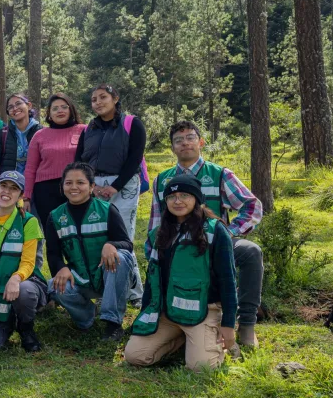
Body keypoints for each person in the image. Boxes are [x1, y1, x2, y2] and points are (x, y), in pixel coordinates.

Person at [149, 121, 264, 348]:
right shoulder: (162, 179)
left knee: (251, 252)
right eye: (178, 140)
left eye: (190, 138)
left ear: (201, 142)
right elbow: (155, 222)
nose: (185, 144)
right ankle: (171, 317)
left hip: (214, 245)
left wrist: (226, 233)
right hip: (178, 249)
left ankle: (247, 323)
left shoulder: (220, 174)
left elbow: (253, 207)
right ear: (172, 147)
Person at [125, 174, 240, 371]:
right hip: (167, 312)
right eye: (172, 196)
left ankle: (209, 341)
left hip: (203, 310)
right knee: (135, 355)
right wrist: (144, 314)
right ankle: (183, 339)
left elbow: (228, 280)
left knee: (201, 368)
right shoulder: (159, 233)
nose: (177, 201)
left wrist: (228, 324)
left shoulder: (215, 230)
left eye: (184, 195)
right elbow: (153, 279)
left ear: (196, 198)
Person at [45, 163, 136, 342]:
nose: (74, 187)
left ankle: (113, 324)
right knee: (53, 285)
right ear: (62, 186)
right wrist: (61, 268)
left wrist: (111, 244)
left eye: (80, 182)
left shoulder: (106, 210)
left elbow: (127, 244)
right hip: (80, 278)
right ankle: (87, 316)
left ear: (92, 186)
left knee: (122, 258)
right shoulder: (55, 217)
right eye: (68, 183)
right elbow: (53, 253)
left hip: (109, 275)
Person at [75, 85, 145, 302]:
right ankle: (106, 286)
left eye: (103, 97)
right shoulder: (89, 129)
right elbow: (80, 160)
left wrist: (116, 186)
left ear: (115, 98)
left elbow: (135, 157)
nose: (98, 102)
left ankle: (134, 293)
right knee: (100, 237)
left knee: (123, 236)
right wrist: (91, 185)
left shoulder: (132, 123)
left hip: (123, 184)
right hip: (94, 186)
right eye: (94, 99)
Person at [0, 171, 49, 353]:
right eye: (3, 186)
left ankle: (25, 328)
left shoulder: (28, 222)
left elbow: (29, 262)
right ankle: (3, 326)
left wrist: (16, 278)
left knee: (25, 291)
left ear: (21, 196)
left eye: (14, 189)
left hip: (19, 287)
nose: (7, 192)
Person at [23, 93, 86, 220]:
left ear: (71, 109)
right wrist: (26, 197)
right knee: (52, 231)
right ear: (49, 114)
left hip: (77, 186)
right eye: (55, 108)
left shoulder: (84, 130)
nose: (60, 111)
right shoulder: (39, 135)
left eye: (64, 107)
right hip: (46, 191)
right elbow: (30, 168)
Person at [0, 93, 42, 174]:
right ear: (8, 113)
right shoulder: (1, 134)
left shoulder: (42, 132)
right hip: (9, 184)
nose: (15, 108)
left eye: (18, 103)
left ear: (29, 105)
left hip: (36, 184)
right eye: (10, 107)